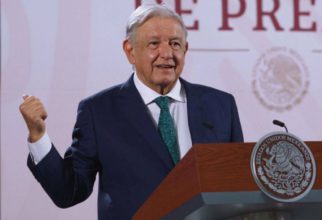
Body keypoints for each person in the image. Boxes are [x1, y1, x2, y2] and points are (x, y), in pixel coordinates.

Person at [19, 4, 243, 220]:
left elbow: (238, 189)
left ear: (185, 49)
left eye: (175, 44)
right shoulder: (99, 112)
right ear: (130, 51)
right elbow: (69, 191)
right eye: (154, 44)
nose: (166, 53)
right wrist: (38, 137)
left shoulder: (221, 105)